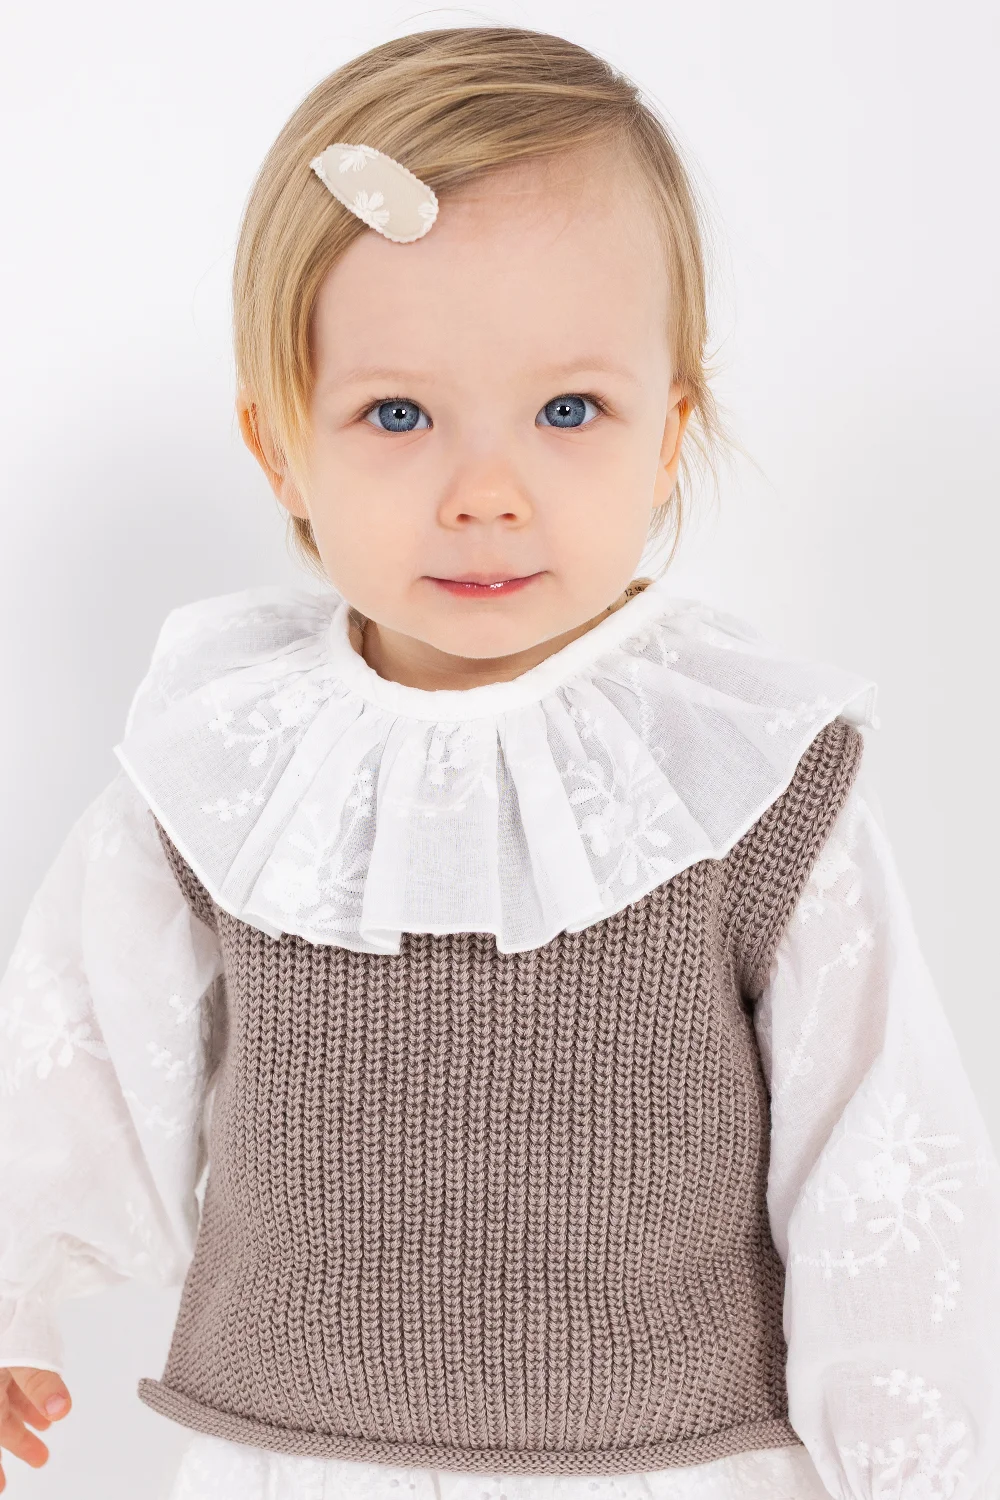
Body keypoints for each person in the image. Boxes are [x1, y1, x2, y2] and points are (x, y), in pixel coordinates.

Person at [1, 25, 998, 1500]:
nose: (486, 492)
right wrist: (17, 1285)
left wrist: (908, 1460)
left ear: (669, 433)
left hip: (675, 1465)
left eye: (567, 411)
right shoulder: (227, 766)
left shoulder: (747, 772)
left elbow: (880, 1154)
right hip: (291, 1458)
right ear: (278, 444)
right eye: (398, 414)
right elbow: (75, 1047)